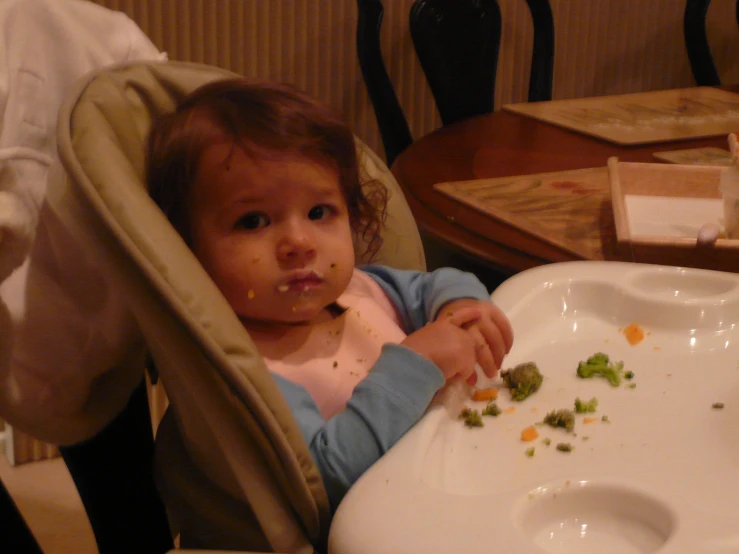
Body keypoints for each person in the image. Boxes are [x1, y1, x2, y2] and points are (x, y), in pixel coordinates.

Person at [146, 78, 514, 512]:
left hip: (464, 469)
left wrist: (461, 307)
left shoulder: (362, 289)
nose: (299, 243)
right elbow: (323, 481)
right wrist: (415, 367)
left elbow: (433, 284)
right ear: (185, 246)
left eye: (319, 212)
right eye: (253, 221)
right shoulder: (249, 371)